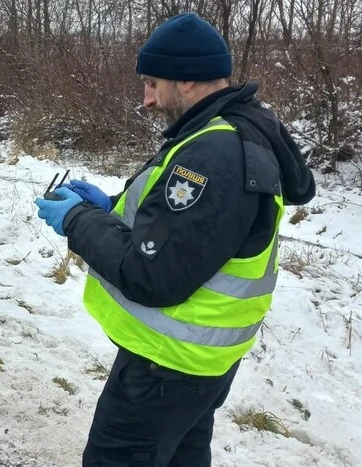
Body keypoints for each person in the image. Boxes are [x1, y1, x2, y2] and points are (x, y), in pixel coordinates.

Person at [34, 12, 316, 467]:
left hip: (165, 368)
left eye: (151, 84)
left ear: (185, 81)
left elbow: (153, 275)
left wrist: (78, 221)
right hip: (192, 366)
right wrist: (109, 207)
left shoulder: (214, 154)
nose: (146, 100)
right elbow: (185, 231)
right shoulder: (222, 131)